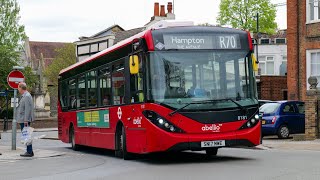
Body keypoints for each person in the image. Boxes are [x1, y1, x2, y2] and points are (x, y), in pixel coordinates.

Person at [17, 82, 35, 157]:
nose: (18, 90)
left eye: (18, 88)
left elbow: (28, 109)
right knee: (26, 135)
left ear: (21, 88)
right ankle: (30, 151)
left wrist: (26, 120)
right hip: (23, 119)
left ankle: (29, 151)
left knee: (26, 135)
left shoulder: (27, 96)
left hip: (24, 119)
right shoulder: (25, 95)